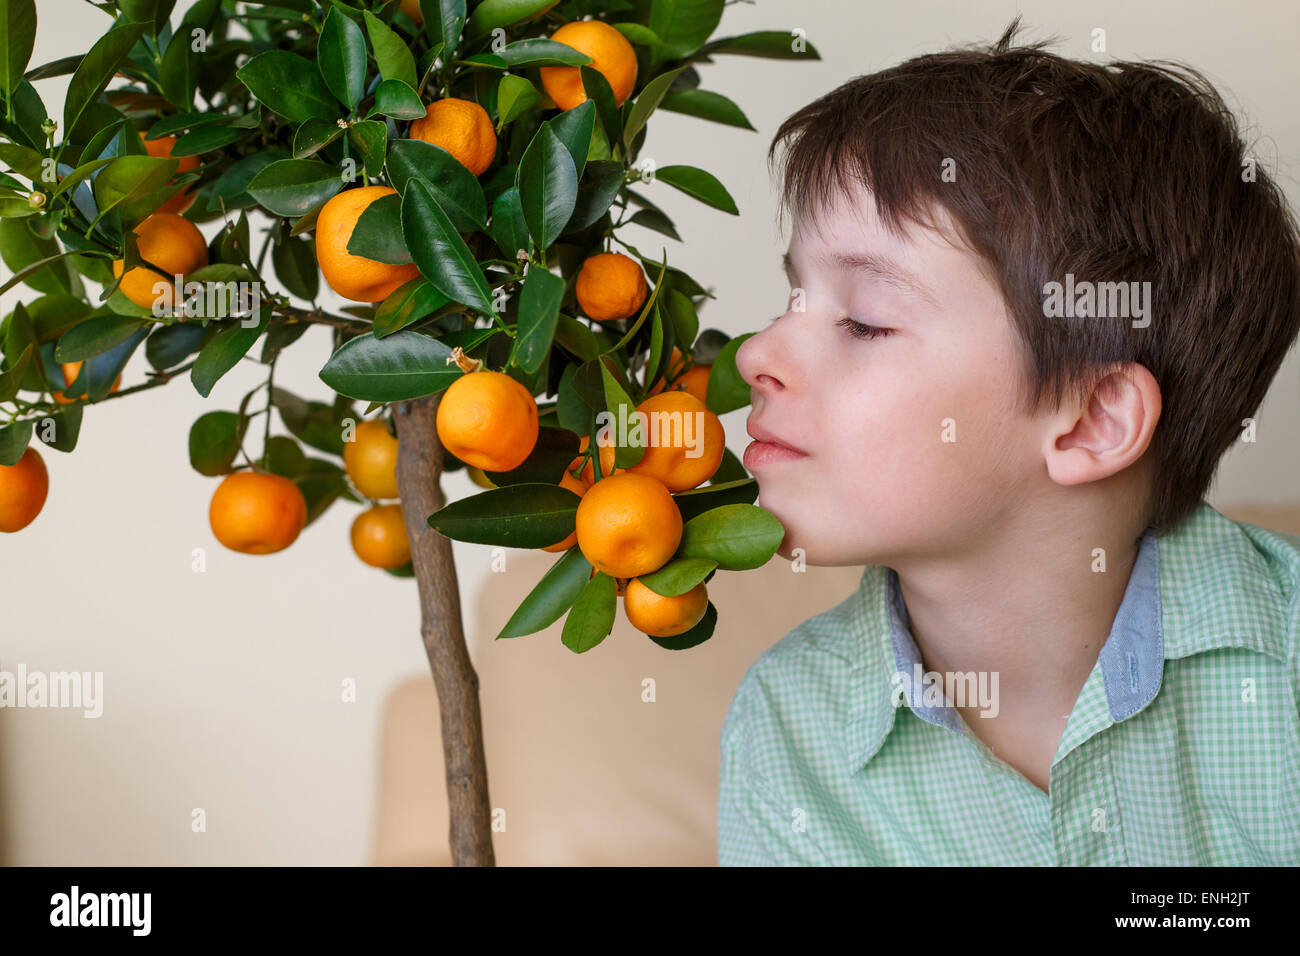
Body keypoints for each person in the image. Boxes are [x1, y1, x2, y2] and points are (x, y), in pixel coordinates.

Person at [720, 16, 1300, 865]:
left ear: (1095, 418)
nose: (754, 354)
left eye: (866, 321)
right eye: (794, 298)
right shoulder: (788, 724)